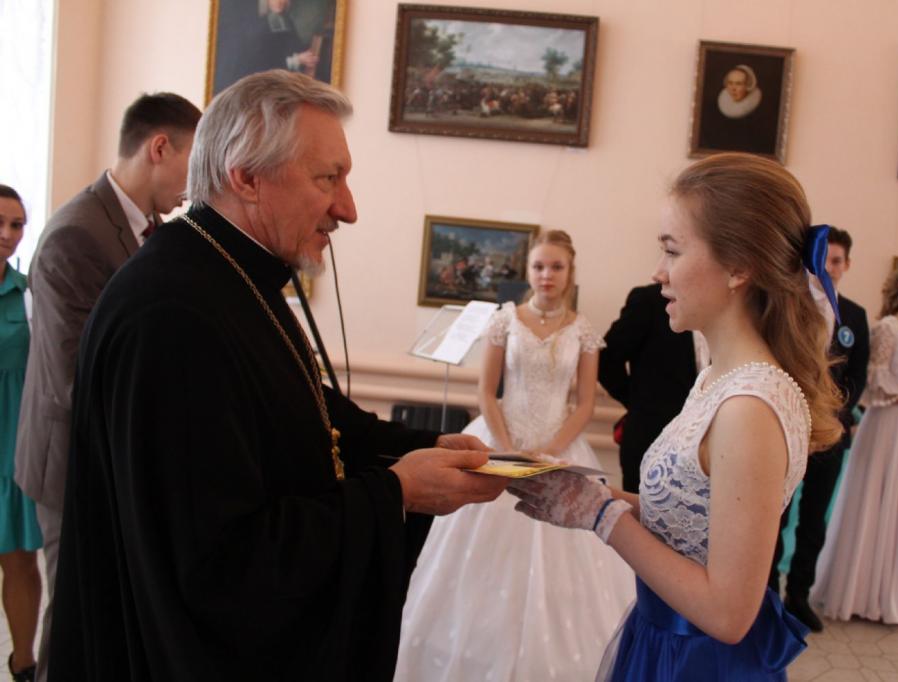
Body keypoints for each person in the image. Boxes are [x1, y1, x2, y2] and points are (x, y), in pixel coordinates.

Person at [48, 70, 506, 681]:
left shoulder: (230, 276)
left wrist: (423, 448)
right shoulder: (171, 312)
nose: (348, 209)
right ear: (246, 177)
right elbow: (219, 561)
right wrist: (396, 491)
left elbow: (302, 411)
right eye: (328, 179)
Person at [508, 153, 844, 680]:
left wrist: (603, 517)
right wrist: (588, 495)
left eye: (671, 250)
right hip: (666, 639)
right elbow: (697, 521)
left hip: (699, 660)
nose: (657, 271)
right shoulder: (719, 377)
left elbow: (728, 614)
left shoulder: (749, 407)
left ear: (739, 266)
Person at [14, 91, 200, 682]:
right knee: (72, 619)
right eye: (193, 163)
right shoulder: (76, 234)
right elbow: (74, 376)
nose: (195, 185)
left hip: (114, 452)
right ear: (159, 147)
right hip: (74, 461)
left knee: (107, 616)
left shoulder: (151, 228)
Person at [395, 230, 635, 681]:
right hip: (499, 439)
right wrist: (505, 446)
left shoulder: (583, 330)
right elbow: (487, 392)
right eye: (539, 266)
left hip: (558, 446)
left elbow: (585, 403)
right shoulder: (505, 320)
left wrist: (551, 450)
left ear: (570, 272)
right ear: (528, 270)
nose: (547, 275)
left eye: (556, 267)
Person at [811, 260, 898, 625]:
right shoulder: (888, 327)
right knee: (878, 498)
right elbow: (876, 379)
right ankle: (860, 591)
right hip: (890, 423)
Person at [768, 226, 869, 632]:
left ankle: (799, 595)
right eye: (825, 260)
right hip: (788, 429)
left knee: (814, 519)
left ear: (847, 265)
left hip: (832, 432)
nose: (830, 267)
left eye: (837, 261)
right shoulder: (789, 305)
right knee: (777, 516)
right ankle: (768, 594)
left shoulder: (855, 315)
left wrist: (832, 414)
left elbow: (857, 375)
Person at [599, 283, 699, 493]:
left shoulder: (730, 309)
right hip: (649, 439)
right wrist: (638, 402)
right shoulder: (649, 300)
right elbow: (607, 360)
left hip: (706, 450)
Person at [0, 185, 42, 682]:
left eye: (16, 225)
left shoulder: (30, 291)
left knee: (20, 562)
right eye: (0, 223)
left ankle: (23, 663)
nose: (8, 234)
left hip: (12, 449)